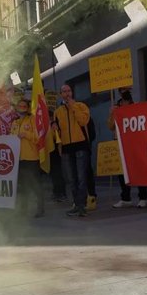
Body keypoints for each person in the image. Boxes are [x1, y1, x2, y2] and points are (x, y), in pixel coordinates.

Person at [52, 84, 91, 217]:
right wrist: (54, 128)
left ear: (72, 92)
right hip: (66, 148)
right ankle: (76, 204)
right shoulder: (58, 112)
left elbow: (83, 121)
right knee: (71, 179)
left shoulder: (81, 106)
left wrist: (73, 106)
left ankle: (82, 205)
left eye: (69, 91)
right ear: (60, 94)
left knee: (81, 177)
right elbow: (56, 134)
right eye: (64, 91)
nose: (67, 93)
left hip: (80, 145)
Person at [109, 92, 147, 208]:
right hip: (120, 143)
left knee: (138, 170)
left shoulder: (135, 108)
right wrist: (112, 114)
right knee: (122, 172)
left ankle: (142, 197)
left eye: (124, 101)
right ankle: (125, 197)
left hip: (134, 144)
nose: (122, 103)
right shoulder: (117, 110)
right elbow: (111, 126)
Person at [10, 98, 45, 218]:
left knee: (35, 184)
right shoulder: (14, 122)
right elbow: (11, 139)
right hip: (19, 158)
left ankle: (40, 208)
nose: (22, 108)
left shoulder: (32, 120)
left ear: (28, 107)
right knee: (23, 186)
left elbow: (38, 137)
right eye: (20, 106)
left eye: (24, 106)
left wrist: (26, 135)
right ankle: (23, 209)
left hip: (31, 157)